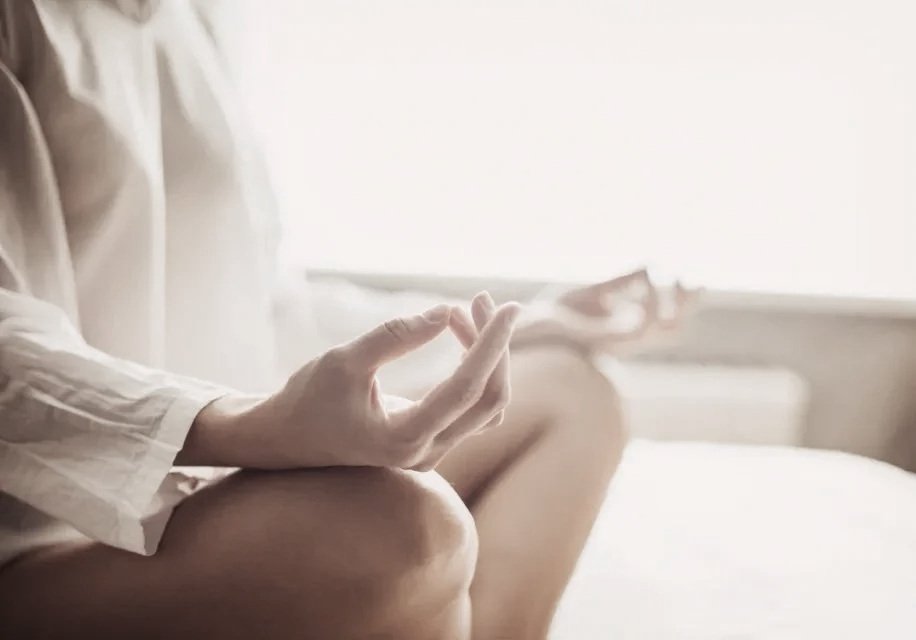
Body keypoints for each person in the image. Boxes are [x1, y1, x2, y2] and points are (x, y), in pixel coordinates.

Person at [0, 2, 696, 638]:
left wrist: (522, 325)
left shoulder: (193, 17)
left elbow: (263, 302)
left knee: (571, 392)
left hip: (204, 489)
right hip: (40, 547)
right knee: (401, 529)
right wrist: (238, 424)